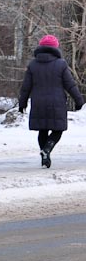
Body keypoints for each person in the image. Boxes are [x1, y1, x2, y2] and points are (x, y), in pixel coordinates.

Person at [19, 34, 85, 168]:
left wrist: (22, 103)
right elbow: (70, 84)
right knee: (58, 129)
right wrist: (79, 101)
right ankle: (47, 149)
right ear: (56, 48)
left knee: (42, 130)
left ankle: (45, 156)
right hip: (57, 103)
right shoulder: (61, 64)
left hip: (38, 102)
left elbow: (26, 87)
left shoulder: (33, 65)